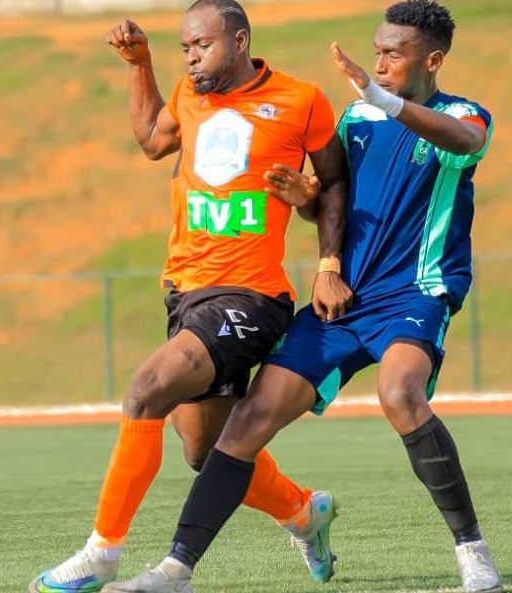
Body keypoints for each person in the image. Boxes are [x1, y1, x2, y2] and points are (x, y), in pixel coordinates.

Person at [106, 1, 502, 592]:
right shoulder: (358, 119)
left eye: (394, 54)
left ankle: (473, 551)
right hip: (341, 299)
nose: (380, 62)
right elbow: (334, 201)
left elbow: (464, 141)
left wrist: (388, 100)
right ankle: (176, 569)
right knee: (245, 423)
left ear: (433, 59)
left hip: (414, 295)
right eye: (376, 53)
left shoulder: (463, 115)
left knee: (400, 393)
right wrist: (306, 206)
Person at [28, 1, 352, 591]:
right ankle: (305, 513)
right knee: (206, 450)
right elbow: (153, 142)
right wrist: (140, 63)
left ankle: (102, 552)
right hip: (187, 292)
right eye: (184, 48)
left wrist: (328, 261)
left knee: (146, 390)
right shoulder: (187, 92)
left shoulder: (301, 100)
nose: (192, 57)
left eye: (200, 45)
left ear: (239, 40)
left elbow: (333, 184)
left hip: (252, 296)